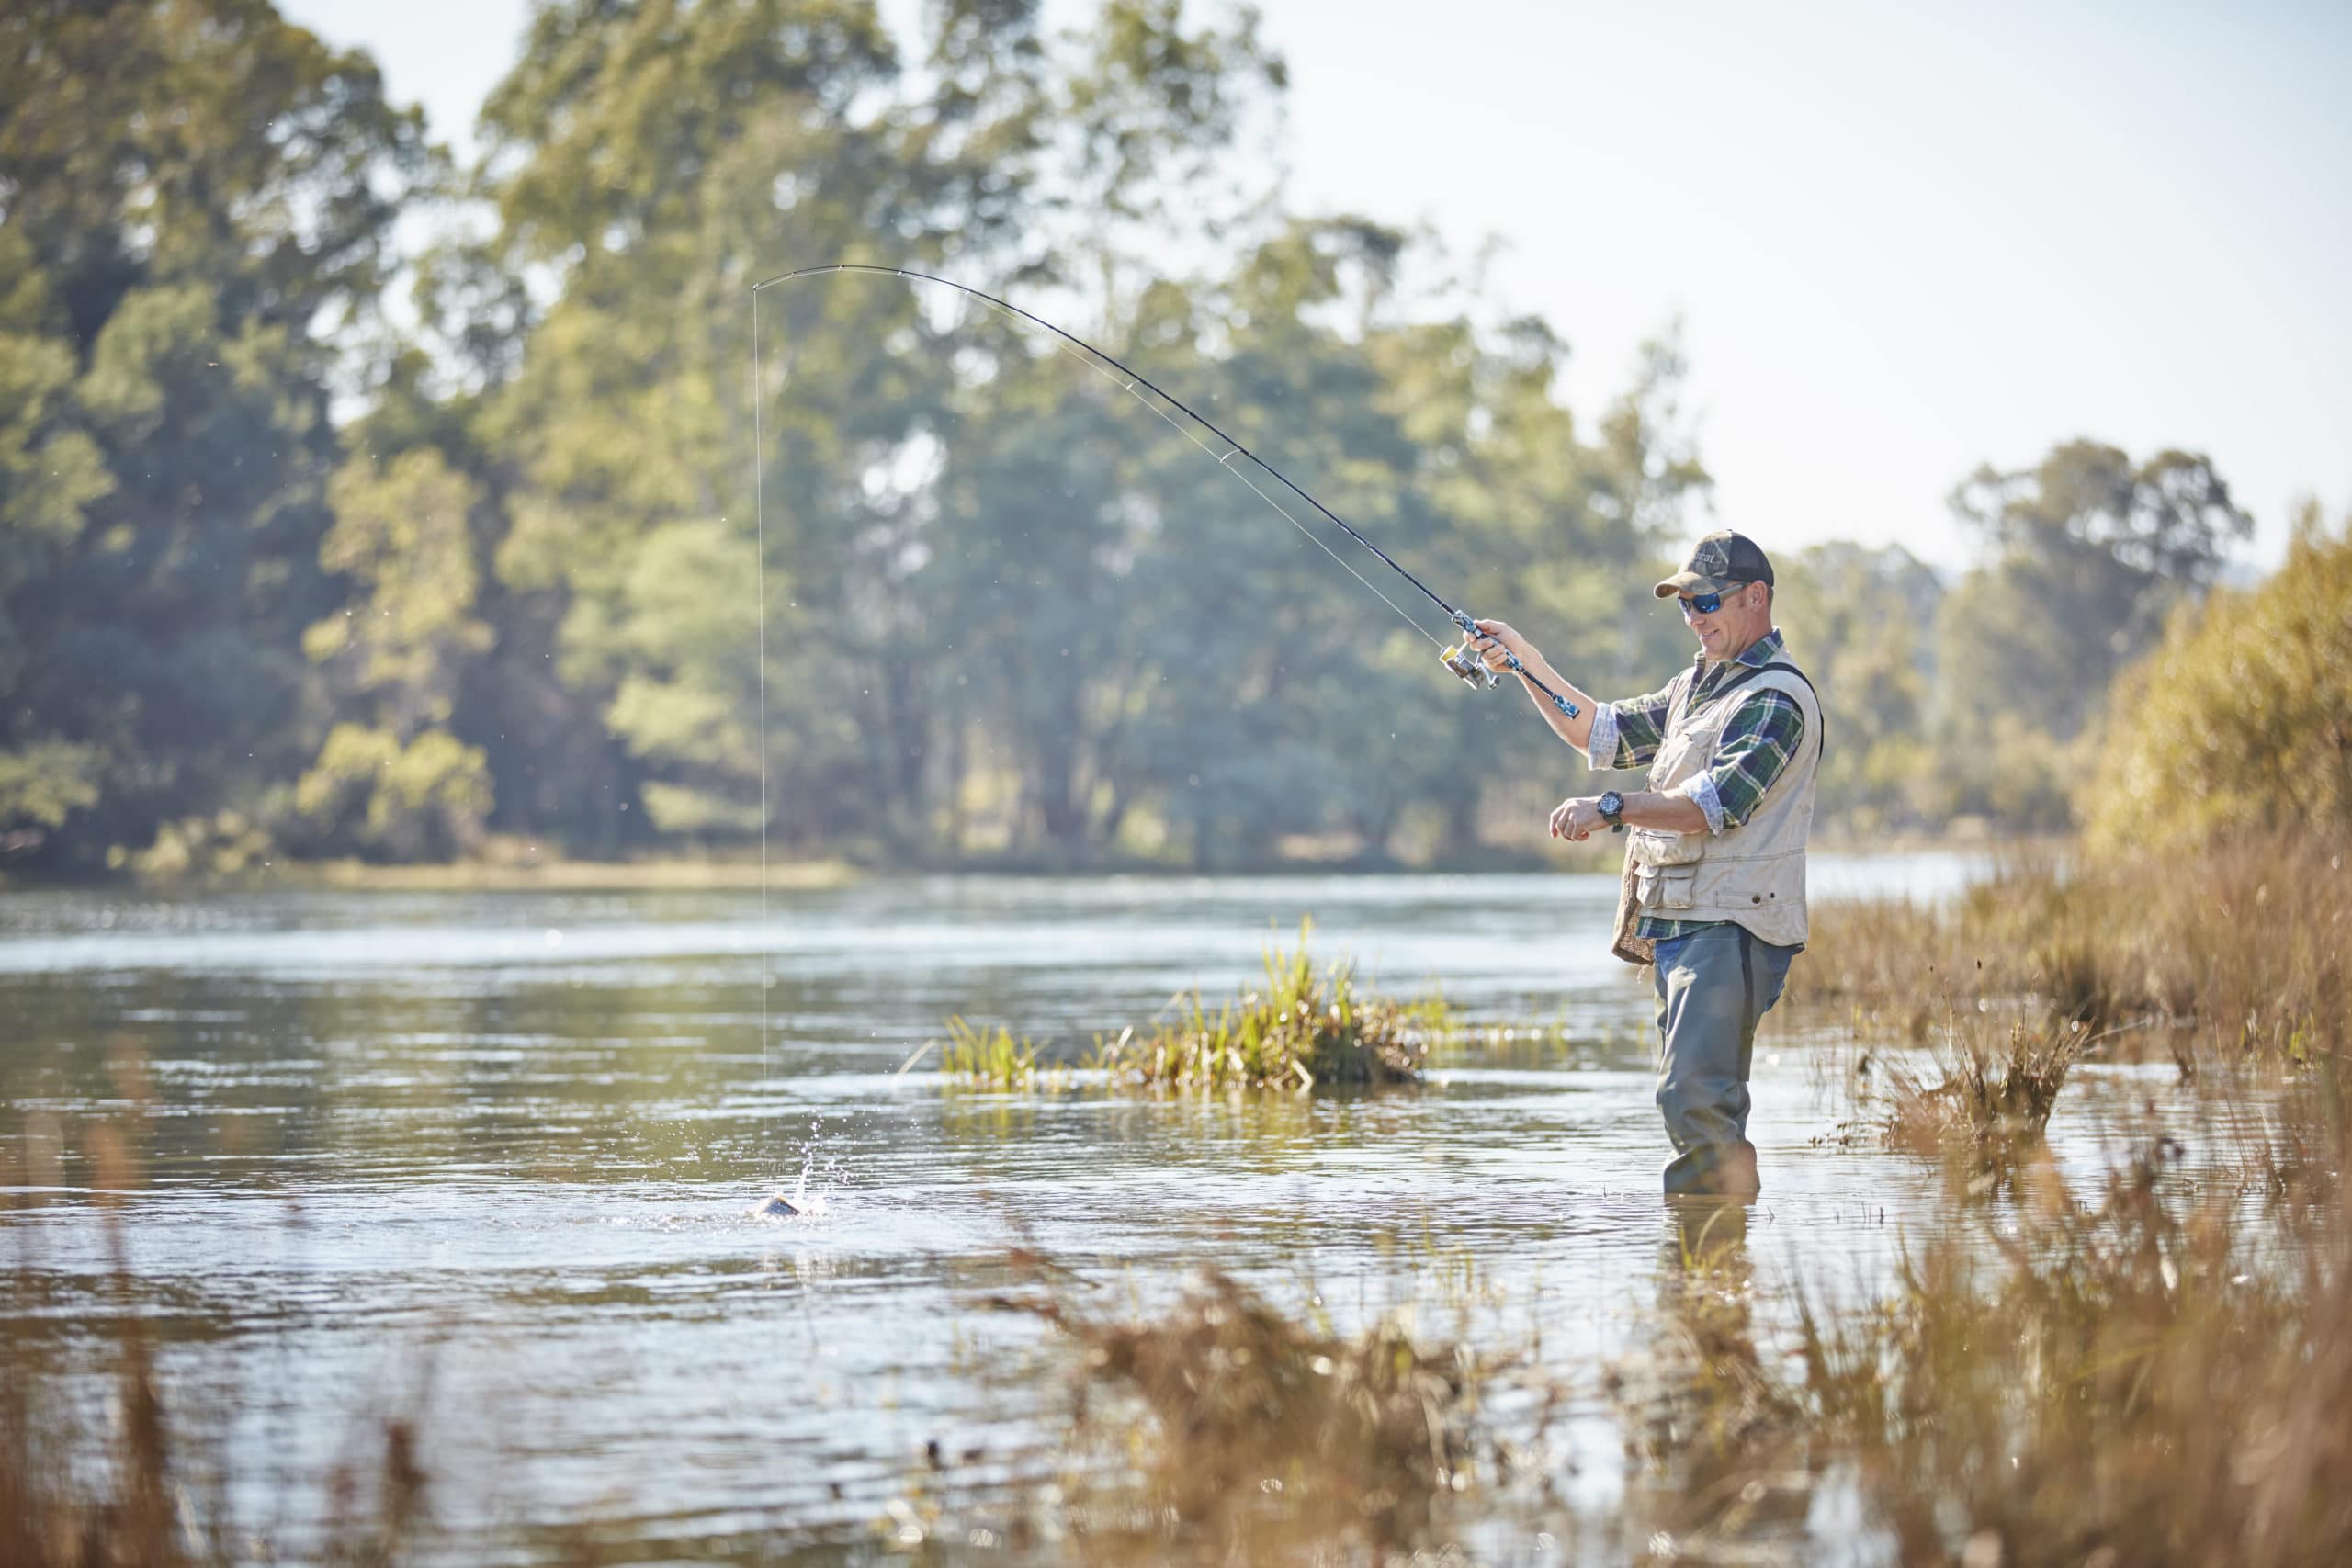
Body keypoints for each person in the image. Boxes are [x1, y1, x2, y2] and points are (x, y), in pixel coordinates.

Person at [1467, 530, 1822, 1198]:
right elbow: (1596, 730)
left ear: (1757, 597)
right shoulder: (1696, 687)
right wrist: (1522, 660)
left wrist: (1610, 808)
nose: (1695, 616)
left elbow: (1715, 803)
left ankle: (1708, 1267)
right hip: (1683, 928)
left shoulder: (1775, 698)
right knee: (1693, 1100)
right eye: (1685, 604)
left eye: (1707, 600)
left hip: (1732, 930)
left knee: (1693, 1097)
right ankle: (1715, 1274)